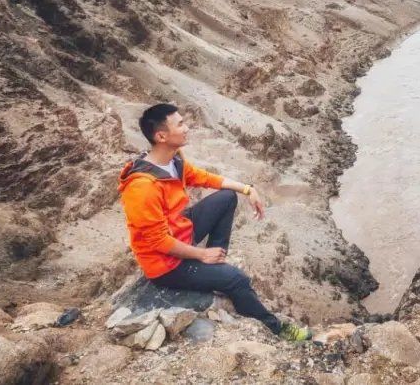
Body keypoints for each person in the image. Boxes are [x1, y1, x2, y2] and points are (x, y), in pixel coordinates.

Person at [118, 102, 311, 341]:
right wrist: (200, 255)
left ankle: (215, 265)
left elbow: (202, 177)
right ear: (161, 136)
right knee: (237, 280)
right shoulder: (142, 186)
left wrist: (247, 189)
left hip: (179, 231)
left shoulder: (173, 161)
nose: (186, 128)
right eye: (180, 124)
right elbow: (156, 241)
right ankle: (278, 330)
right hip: (165, 263)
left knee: (227, 197)